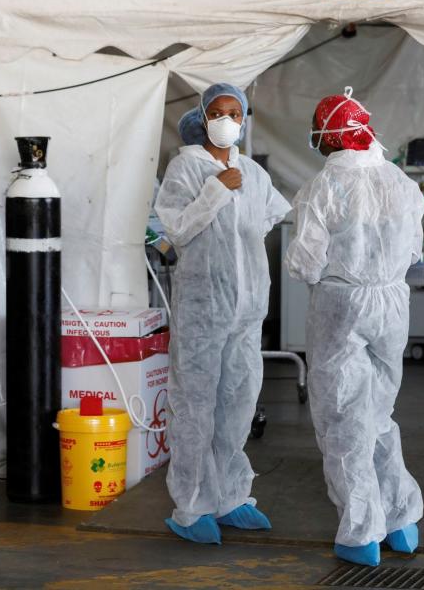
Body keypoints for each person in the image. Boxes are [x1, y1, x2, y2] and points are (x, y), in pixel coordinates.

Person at [285, 87, 424, 566]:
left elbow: (304, 263)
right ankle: (402, 519)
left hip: (341, 305)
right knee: (379, 412)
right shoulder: (401, 182)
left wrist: (332, 275)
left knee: (344, 417)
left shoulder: (323, 187)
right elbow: (414, 251)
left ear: (329, 136)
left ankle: (361, 532)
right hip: (392, 302)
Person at [155, 83, 291, 544]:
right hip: (203, 308)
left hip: (248, 308)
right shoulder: (186, 168)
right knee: (195, 404)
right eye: (219, 112)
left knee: (237, 402)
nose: (228, 120)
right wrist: (214, 191)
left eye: (236, 112)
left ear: (244, 118)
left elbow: (268, 219)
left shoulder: (253, 172)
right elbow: (175, 230)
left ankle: (232, 495)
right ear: (203, 116)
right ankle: (192, 506)